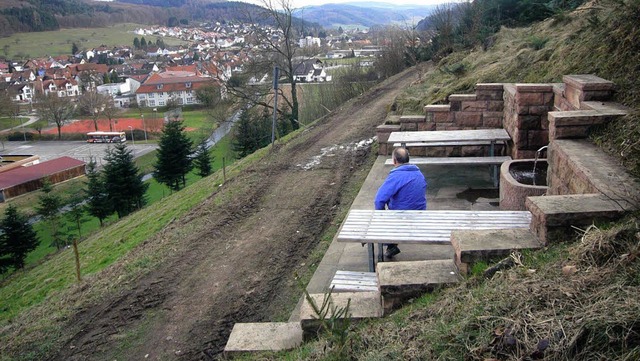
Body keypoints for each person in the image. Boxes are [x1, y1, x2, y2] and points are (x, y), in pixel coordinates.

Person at [374, 147, 427, 258]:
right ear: (408, 160)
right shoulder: (419, 174)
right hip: (420, 214)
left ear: (394, 161)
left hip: (403, 217)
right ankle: (391, 246)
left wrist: (381, 216)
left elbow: (379, 200)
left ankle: (390, 245)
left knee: (378, 218)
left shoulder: (396, 176)